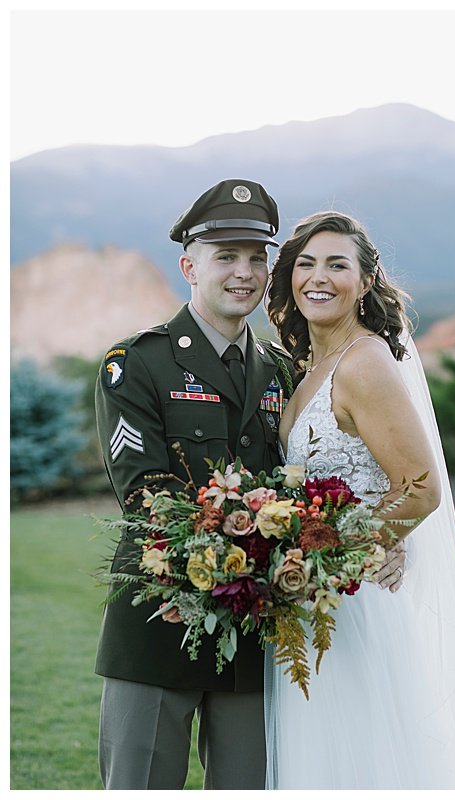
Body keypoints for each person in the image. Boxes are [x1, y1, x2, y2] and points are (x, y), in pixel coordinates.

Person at [263, 211, 455, 788]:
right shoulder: (310, 365)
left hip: (352, 601)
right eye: (306, 264)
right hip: (308, 597)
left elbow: (421, 488)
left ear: (365, 282)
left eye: (337, 265)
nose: (319, 277)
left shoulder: (364, 363)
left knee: (357, 764)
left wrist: (342, 547)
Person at [94, 178, 293, 789]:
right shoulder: (138, 363)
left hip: (252, 627)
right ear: (189, 265)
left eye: (257, 257)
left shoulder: (282, 371)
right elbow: (146, 491)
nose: (245, 272)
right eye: (226, 256)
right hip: (159, 618)